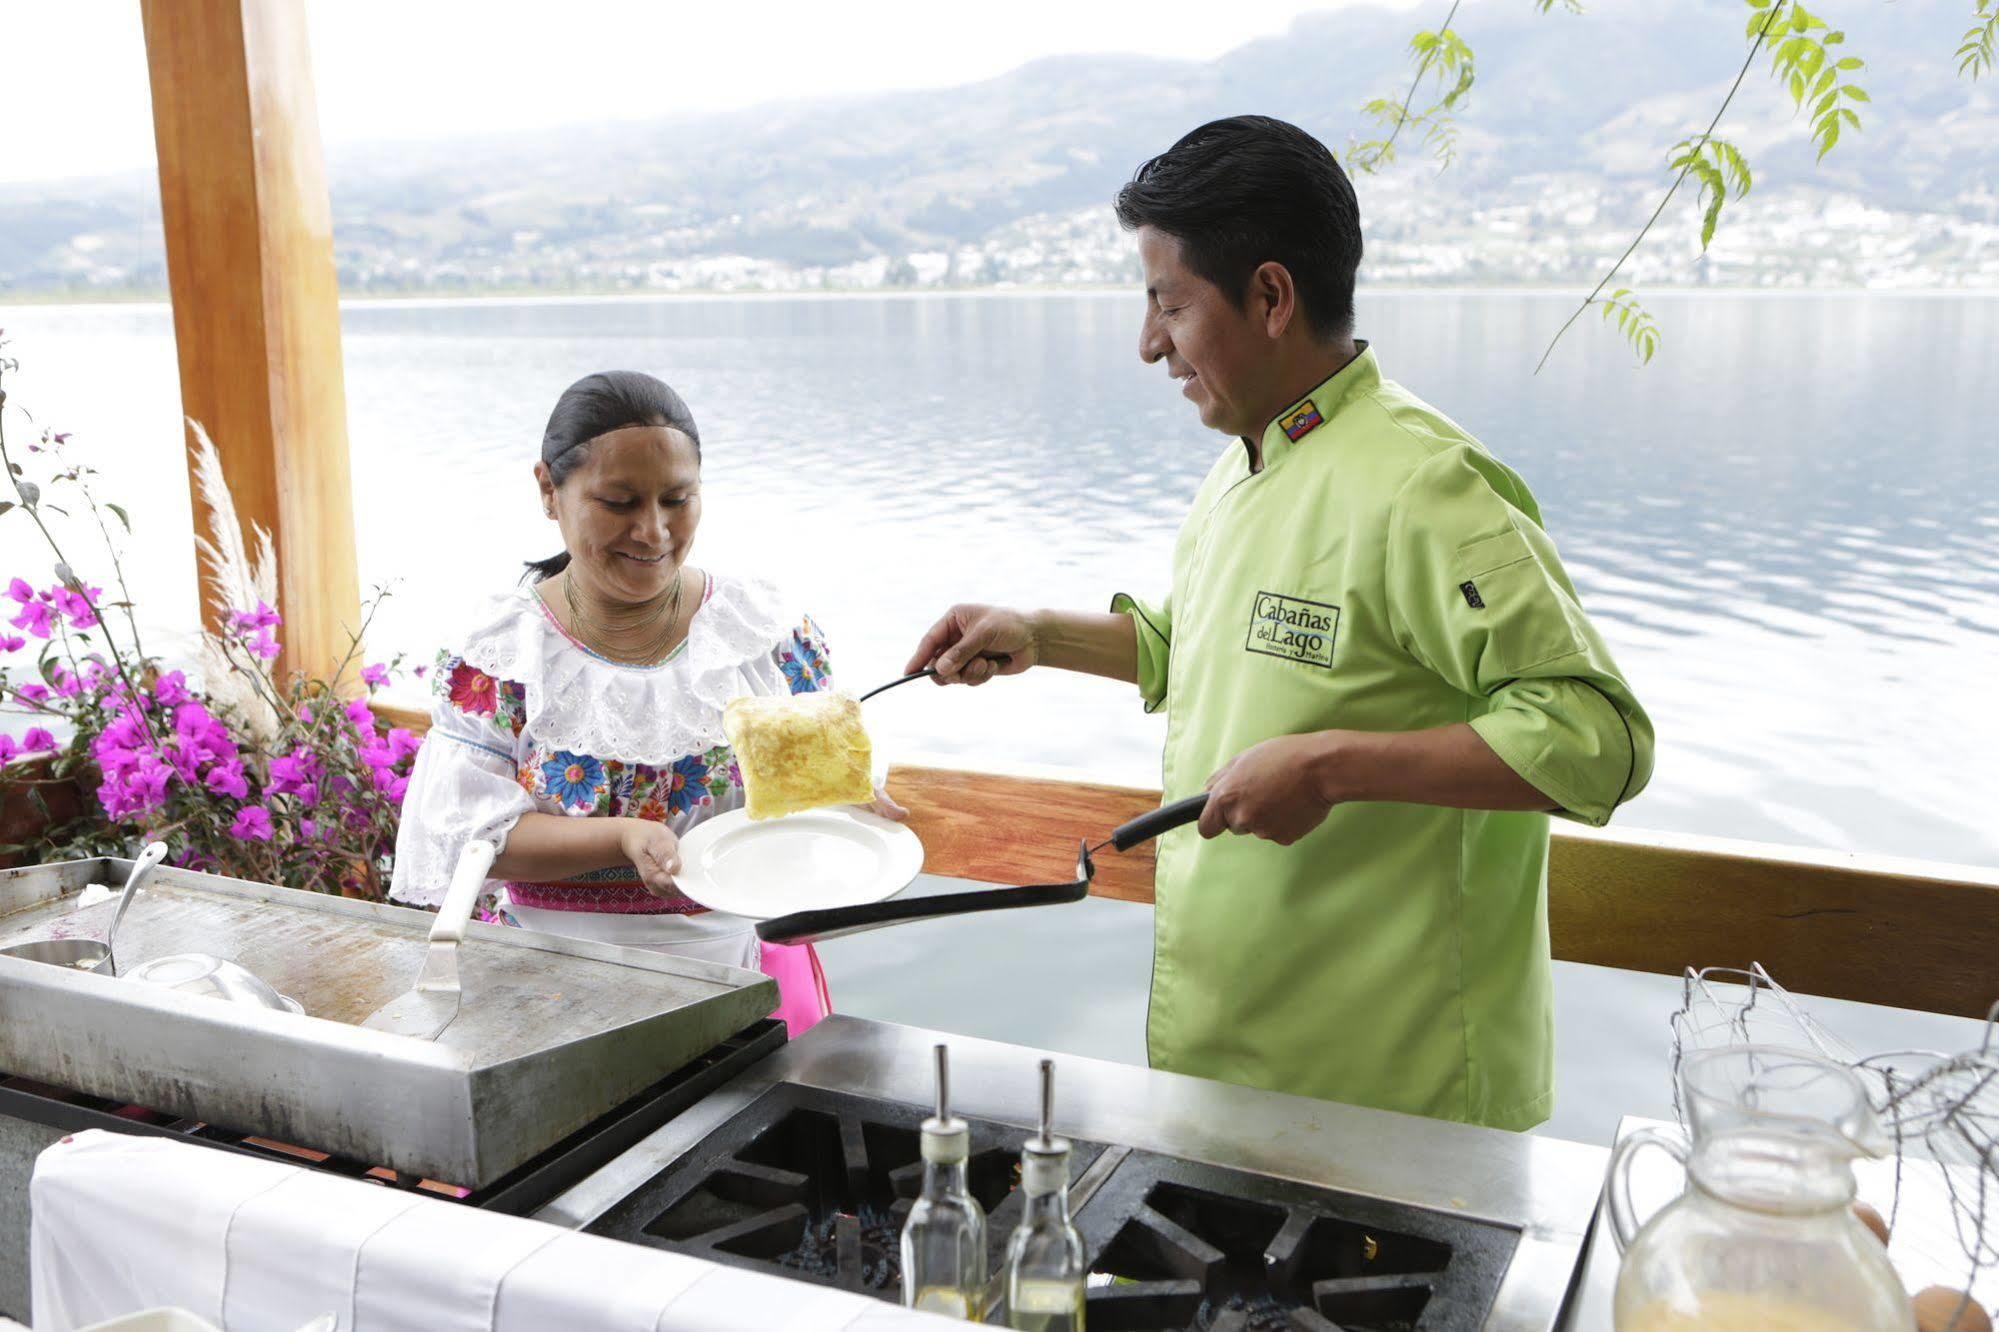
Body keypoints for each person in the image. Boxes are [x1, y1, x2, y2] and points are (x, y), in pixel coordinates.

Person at [905, 117, 1654, 1130]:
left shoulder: (1426, 488)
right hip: (1231, 1064)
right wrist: (1041, 632)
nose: (1147, 344)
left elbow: (1595, 739)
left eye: (1169, 303)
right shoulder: (1243, 464)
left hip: (1393, 1093)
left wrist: (1333, 766)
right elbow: (1218, 651)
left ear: (1269, 296)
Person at [391, 370, 903, 1035]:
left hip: (750, 970)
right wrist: (620, 836)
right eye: (619, 501)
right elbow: (468, 839)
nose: (654, 531)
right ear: (549, 490)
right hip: (555, 986)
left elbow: (813, 782)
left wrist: (852, 799)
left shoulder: (760, 633)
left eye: (677, 499)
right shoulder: (500, 657)